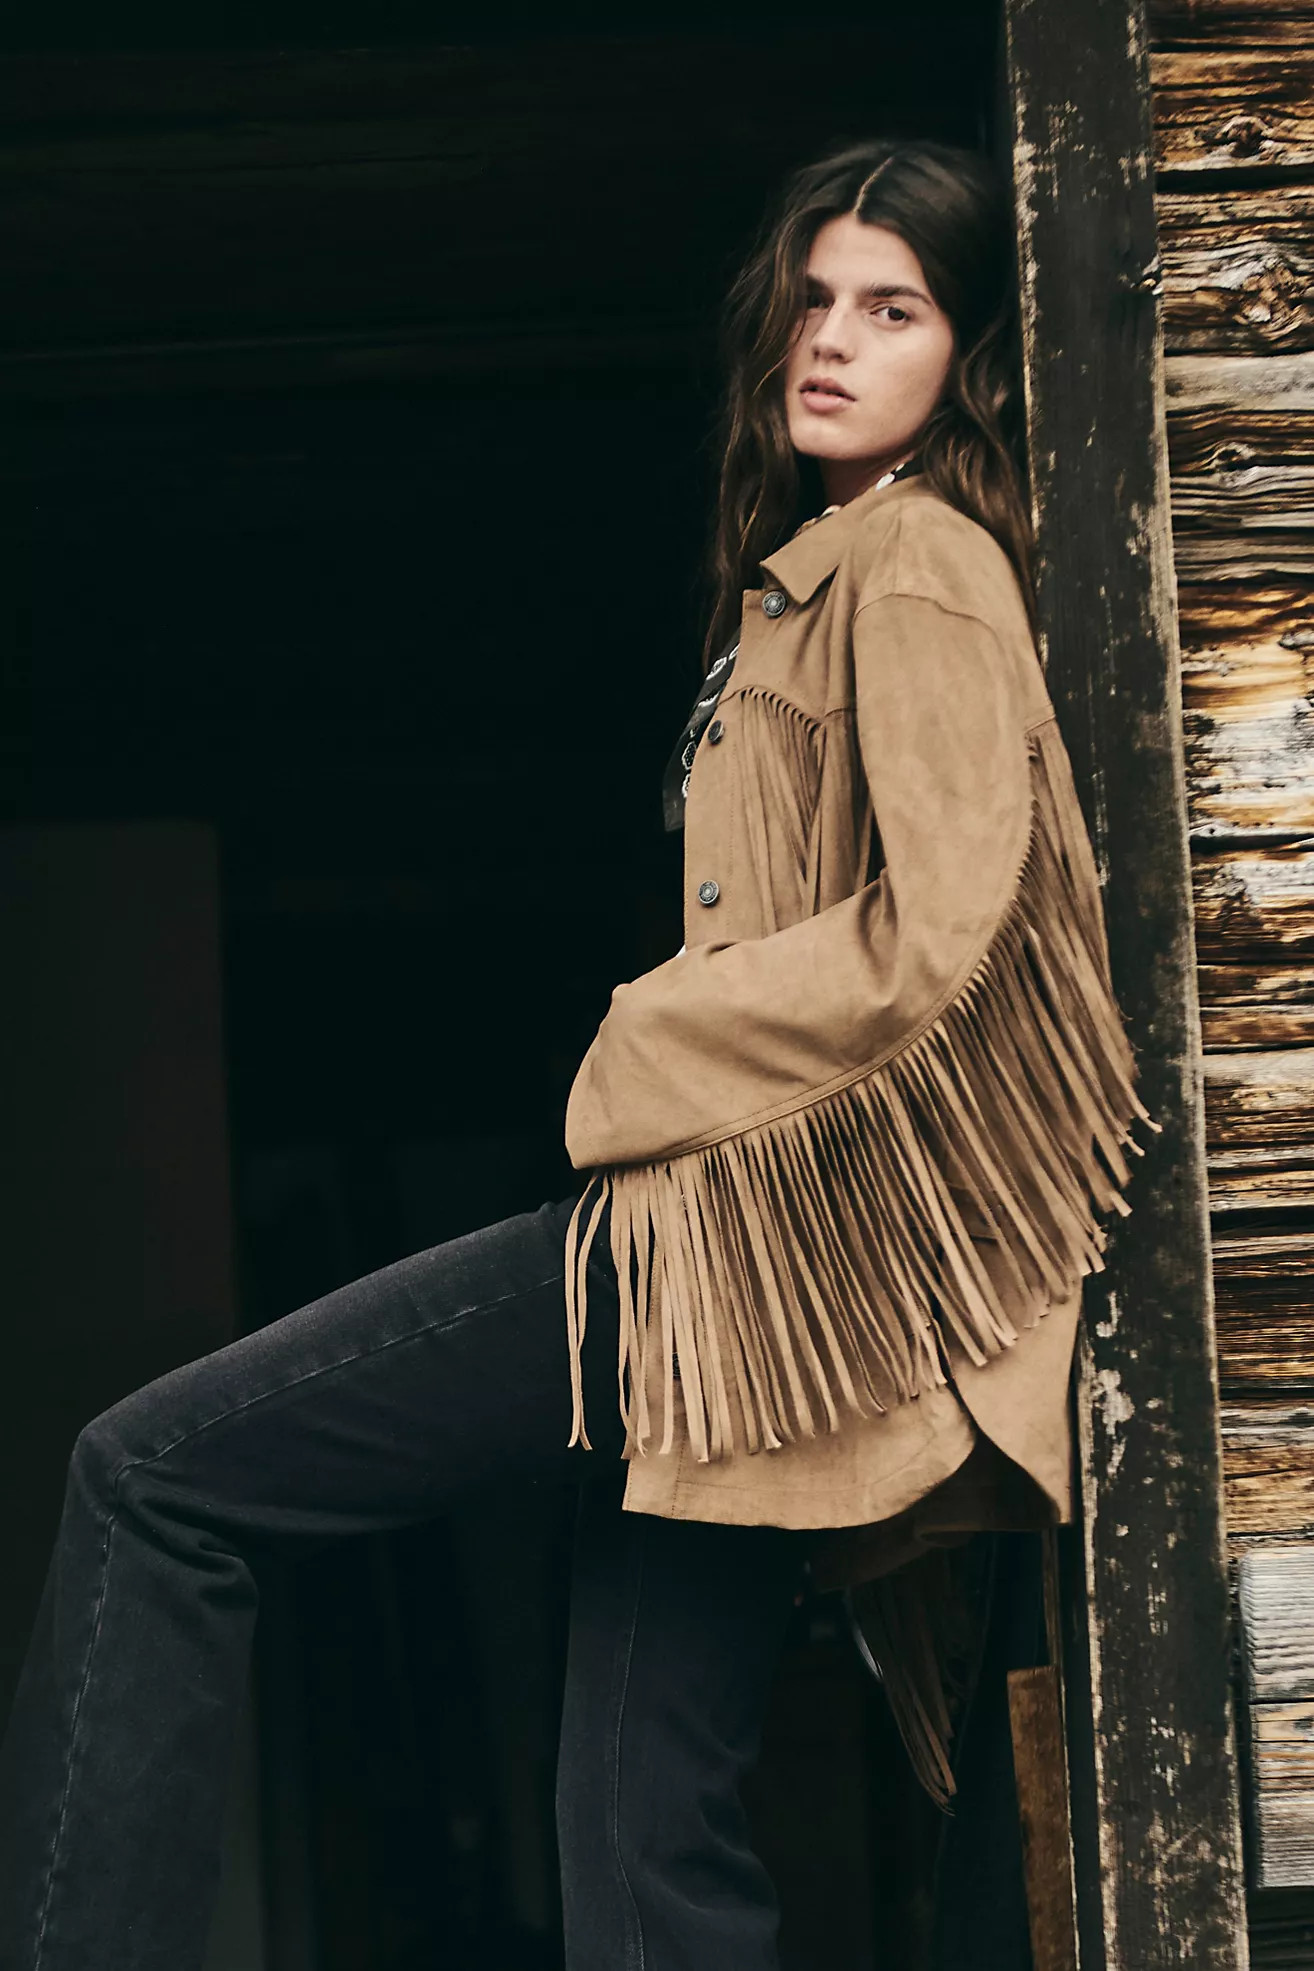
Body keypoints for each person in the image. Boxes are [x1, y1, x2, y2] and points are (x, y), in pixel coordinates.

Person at [0, 139, 1149, 1971]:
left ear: (967, 359)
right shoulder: (813, 573)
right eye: (815, 299)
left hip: (727, 1253)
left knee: (153, 1479)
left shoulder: (917, 563)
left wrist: (652, 1031)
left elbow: (948, 928)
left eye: (893, 310)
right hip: (750, 1288)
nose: (831, 340)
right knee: (635, 1810)